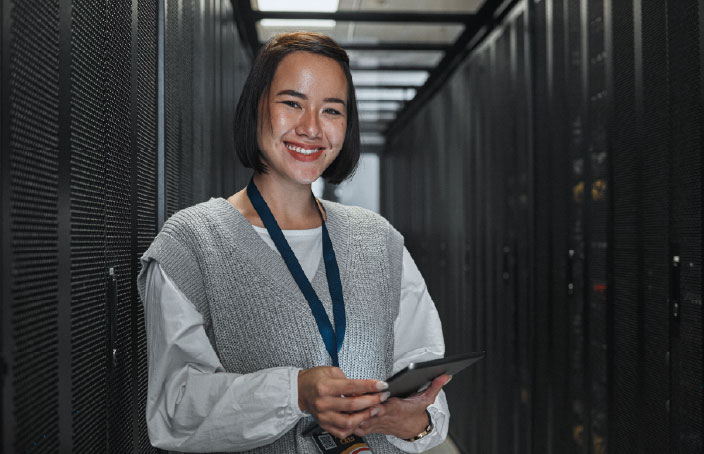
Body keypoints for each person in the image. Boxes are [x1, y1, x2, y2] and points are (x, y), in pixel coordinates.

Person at [137, 32, 451, 453]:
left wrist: (413, 420)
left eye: (332, 110)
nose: (311, 128)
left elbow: (426, 385)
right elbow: (173, 411)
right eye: (292, 103)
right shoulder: (192, 244)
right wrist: (295, 393)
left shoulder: (379, 241)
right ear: (256, 107)